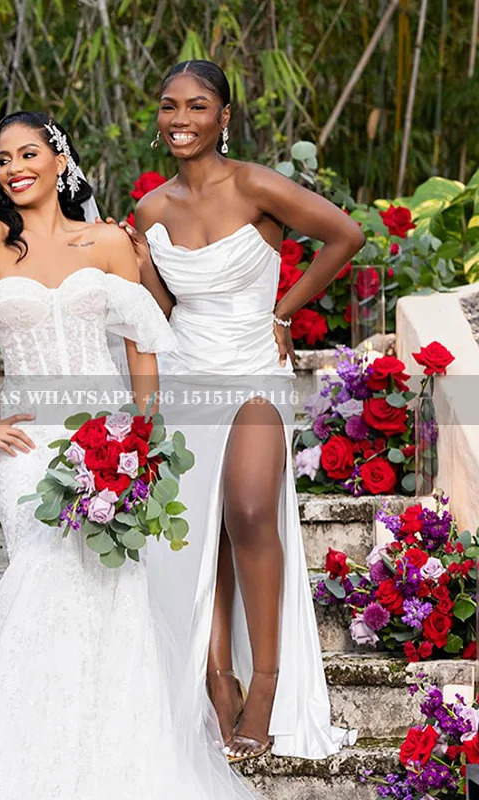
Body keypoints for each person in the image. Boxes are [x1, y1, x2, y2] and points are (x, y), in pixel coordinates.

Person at [0, 110, 261, 799]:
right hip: (29, 451)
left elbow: (141, 344)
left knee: (114, 599)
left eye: (29, 153)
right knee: (48, 582)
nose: (15, 168)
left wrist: (140, 439)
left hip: (109, 446)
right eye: (3, 159)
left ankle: (117, 769)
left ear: (61, 162)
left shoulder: (109, 243)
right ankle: (21, 770)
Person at [112, 60, 365, 762]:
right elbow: (162, 312)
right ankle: (216, 681)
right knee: (197, 536)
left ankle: (267, 685)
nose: (180, 119)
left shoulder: (255, 185)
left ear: (225, 116)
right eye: (168, 106)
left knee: (251, 510)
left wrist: (285, 310)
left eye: (197, 106)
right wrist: (137, 265)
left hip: (253, 364)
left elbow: (346, 235)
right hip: (187, 373)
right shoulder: (153, 209)